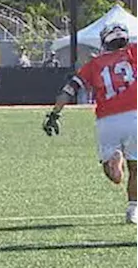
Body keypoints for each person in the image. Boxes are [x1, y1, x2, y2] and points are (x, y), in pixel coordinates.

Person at [43, 23, 138, 223]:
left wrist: (54, 115)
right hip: (134, 116)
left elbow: (70, 90)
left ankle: (115, 161)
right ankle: (132, 209)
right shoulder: (133, 52)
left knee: (115, 177)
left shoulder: (93, 65)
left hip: (107, 120)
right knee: (136, 168)